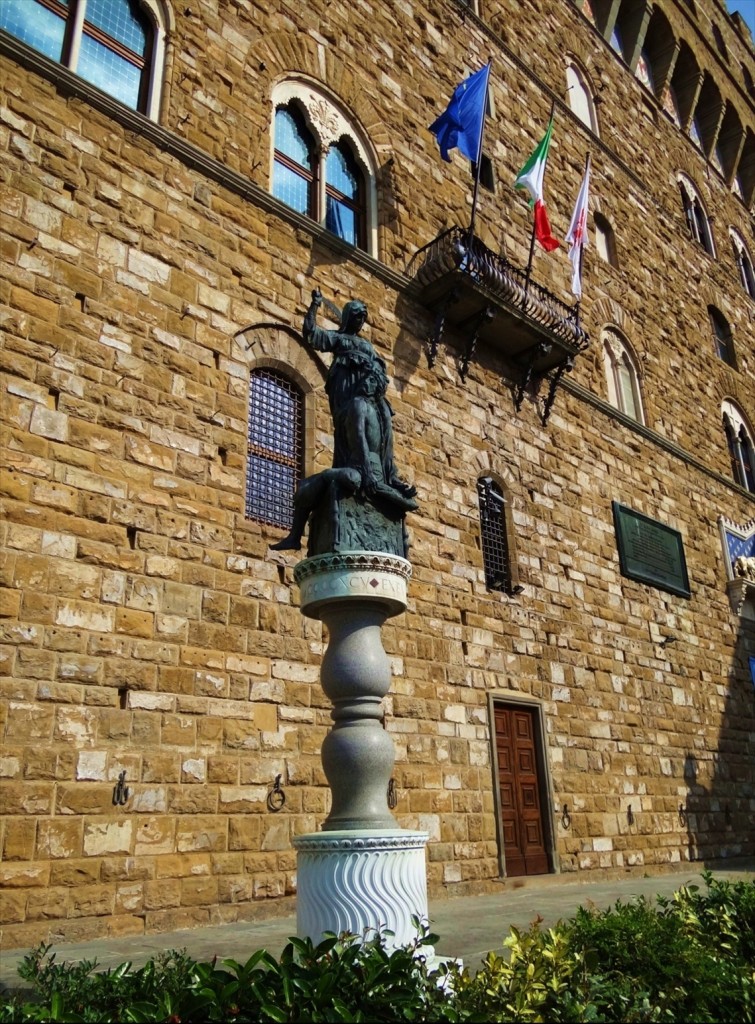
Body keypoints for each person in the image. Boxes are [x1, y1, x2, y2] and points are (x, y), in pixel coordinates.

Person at [270, 290, 417, 552]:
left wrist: (388, 478)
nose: (360, 323)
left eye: (363, 319)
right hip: (345, 400)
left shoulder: (378, 404)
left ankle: (301, 532)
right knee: (348, 432)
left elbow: (385, 446)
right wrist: (314, 307)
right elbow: (313, 335)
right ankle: (301, 533)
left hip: (360, 436)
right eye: (356, 318)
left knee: (354, 436)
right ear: (349, 318)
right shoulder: (339, 341)